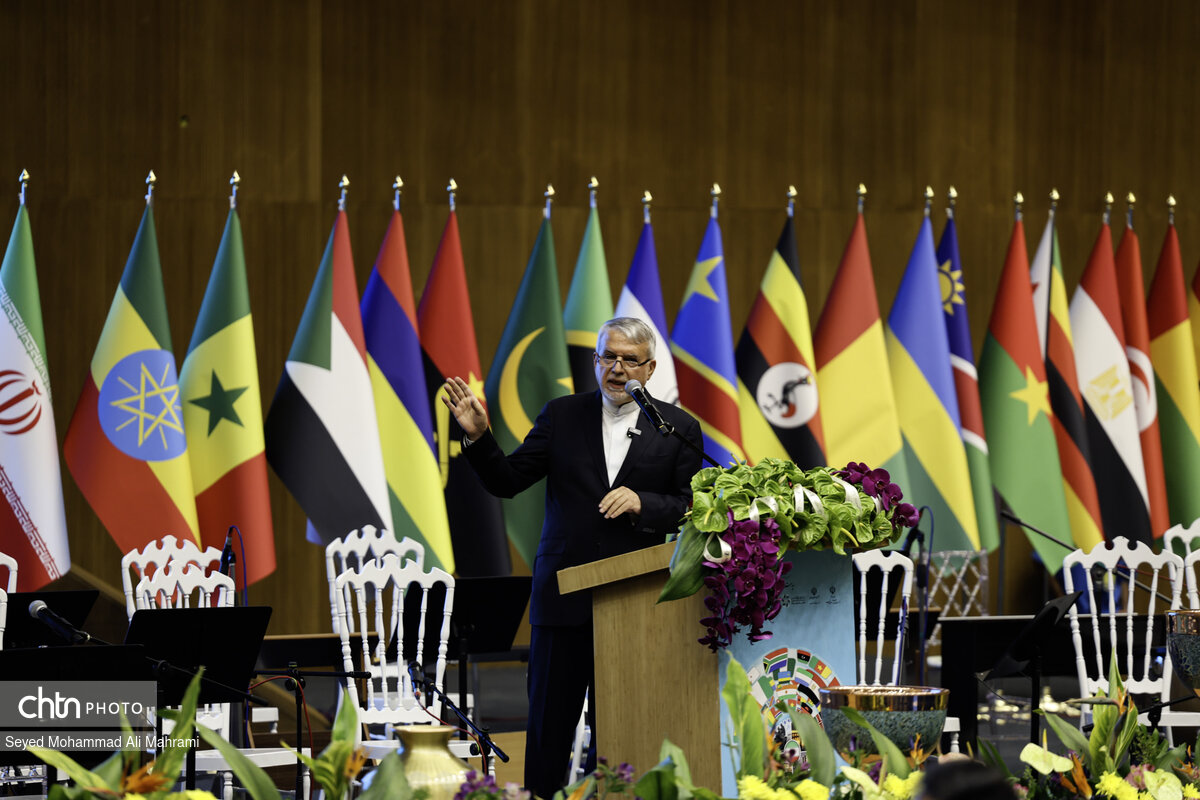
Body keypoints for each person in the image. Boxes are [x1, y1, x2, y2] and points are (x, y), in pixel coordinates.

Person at [443, 316, 703, 798]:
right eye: (608, 357)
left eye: (630, 360)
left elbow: (691, 504)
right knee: (548, 729)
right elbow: (508, 481)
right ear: (595, 361)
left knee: (622, 728)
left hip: (633, 602)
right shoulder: (562, 415)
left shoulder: (677, 428)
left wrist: (644, 503)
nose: (617, 369)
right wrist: (479, 437)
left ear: (649, 369)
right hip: (561, 598)